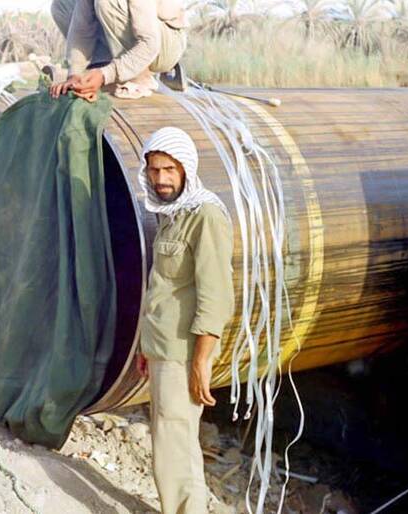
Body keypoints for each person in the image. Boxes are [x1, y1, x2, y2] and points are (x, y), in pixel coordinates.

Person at [134, 127, 234, 514]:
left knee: (174, 443)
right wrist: (147, 346)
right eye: (154, 169)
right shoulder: (172, 213)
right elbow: (163, 288)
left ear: (186, 169)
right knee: (173, 439)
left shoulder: (205, 215)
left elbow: (215, 294)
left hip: (184, 351)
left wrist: (200, 361)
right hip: (163, 346)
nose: (160, 178)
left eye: (169, 170)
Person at [49, 0, 188, 101]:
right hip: (141, 39)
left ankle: (141, 77)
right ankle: (101, 68)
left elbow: (150, 43)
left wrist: (106, 75)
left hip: (163, 46)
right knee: (62, 5)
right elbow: (81, 29)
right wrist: (75, 74)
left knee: (106, 2)